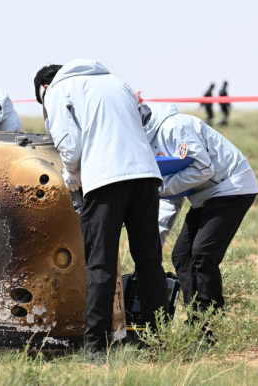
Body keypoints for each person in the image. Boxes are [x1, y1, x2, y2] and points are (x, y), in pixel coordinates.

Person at [34, 59, 169, 354]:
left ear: (44, 88)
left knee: (101, 265)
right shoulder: (118, 83)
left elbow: (70, 146)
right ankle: (160, 339)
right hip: (146, 176)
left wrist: (73, 179)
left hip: (107, 181)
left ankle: (96, 346)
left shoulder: (59, 90)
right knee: (149, 262)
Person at [140, 103, 258, 315]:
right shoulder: (148, 142)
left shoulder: (174, 127)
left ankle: (209, 323)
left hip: (232, 186)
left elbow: (203, 169)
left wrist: (161, 187)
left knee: (203, 254)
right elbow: (171, 194)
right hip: (207, 194)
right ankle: (196, 319)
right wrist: (154, 242)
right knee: (181, 255)